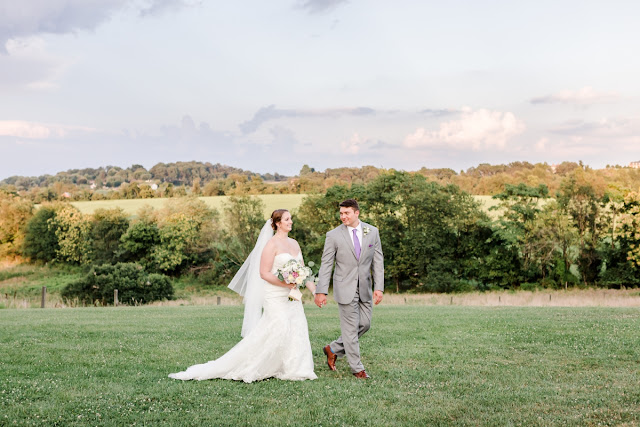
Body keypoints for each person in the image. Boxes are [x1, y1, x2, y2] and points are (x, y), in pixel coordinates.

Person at [169, 209, 317, 383]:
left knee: (297, 325)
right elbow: (264, 273)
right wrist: (286, 283)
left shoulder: (295, 243)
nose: (291, 221)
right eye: (287, 219)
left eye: (290, 219)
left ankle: (295, 368)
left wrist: (315, 291)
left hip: (292, 295)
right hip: (275, 294)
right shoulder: (271, 244)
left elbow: (303, 271)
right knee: (279, 325)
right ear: (277, 223)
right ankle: (255, 364)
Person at [314, 199, 384, 379]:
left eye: (347, 213)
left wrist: (379, 287)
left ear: (356, 213)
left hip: (365, 287)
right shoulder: (334, 235)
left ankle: (333, 349)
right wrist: (321, 291)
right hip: (344, 287)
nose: (343, 217)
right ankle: (357, 369)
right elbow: (326, 264)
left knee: (365, 324)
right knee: (350, 329)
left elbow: (378, 261)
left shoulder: (372, 231)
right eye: (341, 214)